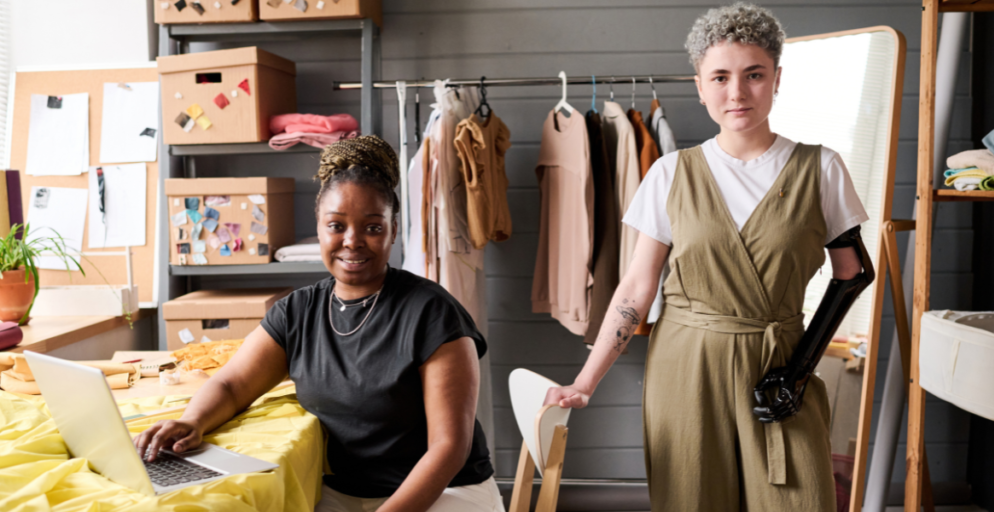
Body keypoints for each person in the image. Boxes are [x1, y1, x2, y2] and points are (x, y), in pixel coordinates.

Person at [544, 3, 871, 511]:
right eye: (720, 77)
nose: (736, 92)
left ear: (777, 79)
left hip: (779, 363)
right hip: (687, 368)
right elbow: (634, 287)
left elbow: (853, 274)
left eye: (754, 75)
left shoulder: (820, 167)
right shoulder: (671, 174)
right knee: (693, 499)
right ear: (700, 85)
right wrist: (585, 384)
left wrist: (800, 369)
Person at [134, 136, 504, 512]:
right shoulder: (297, 312)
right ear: (320, 229)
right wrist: (193, 421)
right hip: (344, 492)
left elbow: (449, 448)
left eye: (372, 228)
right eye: (336, 226)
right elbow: (231, 384)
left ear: (393, 230)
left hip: (444, 491)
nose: (352, 241)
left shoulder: (433, 313)